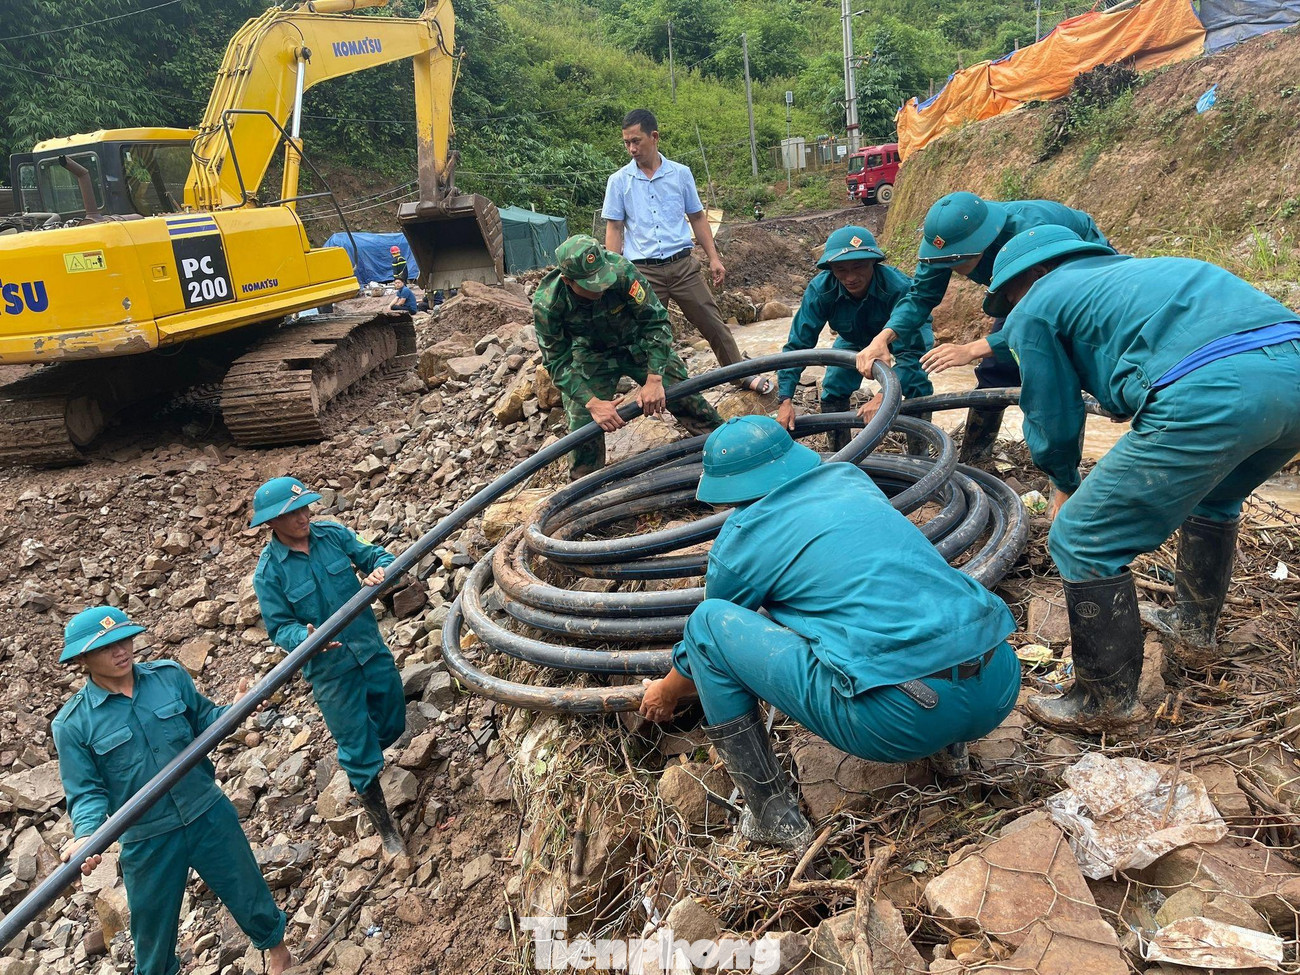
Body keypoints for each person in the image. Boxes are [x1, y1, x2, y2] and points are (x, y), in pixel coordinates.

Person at [639, 417, 1019, 846]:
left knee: (707, 621)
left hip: (901, 721)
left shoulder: (743, 538)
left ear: (726, 489)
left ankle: (772, 816)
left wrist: (666, 691)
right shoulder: (849, 478)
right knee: (903, 600)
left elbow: (708, 646)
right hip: (1000, 683)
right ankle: (953, 752)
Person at [980, 226, 1300, 731]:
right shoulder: (1150, 271)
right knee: (1216, 496)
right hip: (1292, 373)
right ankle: (1193, 630)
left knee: (1082, 537)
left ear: (1035, 274)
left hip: (1215, 389)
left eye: (1010, 296)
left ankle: (1106, 704)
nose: (1011, 308)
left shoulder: (1036, 304)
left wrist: (1064, 480)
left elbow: (1051, 410)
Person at [53, 607, 294, 975]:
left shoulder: (168, 676)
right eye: (106, 648)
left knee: (246, 890)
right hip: (147, 838)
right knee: (151, 932)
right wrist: (86, 836)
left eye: (124, 640)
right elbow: (86, 792)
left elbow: (205, 722)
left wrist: (237, 709)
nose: (121, 651)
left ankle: (279, 954)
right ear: (82, 659)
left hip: (207, 811)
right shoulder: (72, 724)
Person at [855, 191, 1109, 464]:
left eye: (958, 261)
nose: (952, 267)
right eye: (946, 261)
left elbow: (1050, 315)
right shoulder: (946, 244)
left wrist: (973, 349)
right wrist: (883, 338)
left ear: (982, 243)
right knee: (994, 371)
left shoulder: (1031, 234)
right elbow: (920, 297)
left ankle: (1064, 471)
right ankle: (976, 459)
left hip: (1076, 277)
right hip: (1017, 286)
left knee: (1060, 367)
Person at [250, 476, 407, 854]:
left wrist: (381, 571)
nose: (303, 516)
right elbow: (279, 628)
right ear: (272, 522)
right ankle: (386, 828)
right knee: (357, 749)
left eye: (304, 507)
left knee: (393, 719)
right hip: (331, 673)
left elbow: (378, 556)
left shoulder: (333, 535)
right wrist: (304, 638)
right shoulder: (269, 573)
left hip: (369, 648)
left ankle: (365, 755)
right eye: (292, 513)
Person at [603, 108, 774, 395]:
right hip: (643, 272)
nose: (631, 149)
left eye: (636, 141)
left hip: (682, 266)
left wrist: (714, 258)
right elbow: (615, 228)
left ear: (654, 137)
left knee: (712, 321)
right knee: (645, 332)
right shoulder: (619, 181)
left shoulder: (680, 174)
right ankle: (656, 390)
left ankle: (740, 375)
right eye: (626, 143)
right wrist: (615, 274)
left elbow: (697, 217)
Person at [533, 234, 724, 480]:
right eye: (591, 284)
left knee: (682, 393)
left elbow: (656, 322)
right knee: (583, 425)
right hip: (591, 353)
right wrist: (592, 402)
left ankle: (726, 448)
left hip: (637, 343)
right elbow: (557, 361)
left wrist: (654, 379)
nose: (601, 287)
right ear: (568, 280)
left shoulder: (622, 271)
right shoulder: (548, 303)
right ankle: (585, 486)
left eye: (602, 278)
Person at [776, 226, 934, 452]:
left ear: (873, 263)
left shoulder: (898, 288)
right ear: (831, 269)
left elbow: (912, 355)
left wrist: (884, 396)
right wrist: (785, 399)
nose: (850, 278)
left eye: (859, 267)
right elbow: (798, 345)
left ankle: (920, 458)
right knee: (834, 384)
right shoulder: (821, 290)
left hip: (904, 335)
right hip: (854, 336)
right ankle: (840, 455)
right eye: (840, 269)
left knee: (916, 382)